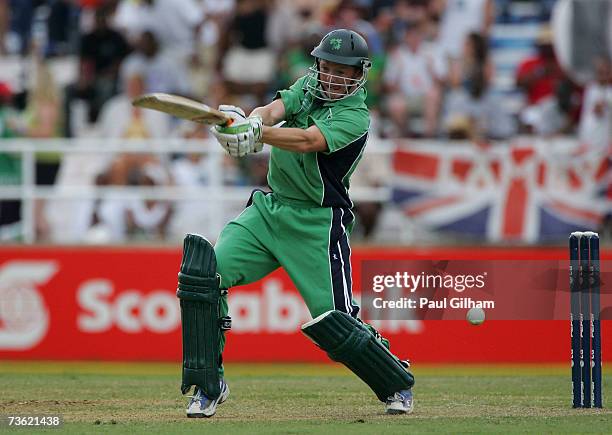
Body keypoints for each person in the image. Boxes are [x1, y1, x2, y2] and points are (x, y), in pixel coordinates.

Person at [175, 29, 415, 418]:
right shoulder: (307, 86)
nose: (332, 77)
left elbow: (306, 140)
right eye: (327, 67)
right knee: (205, 276)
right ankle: (208, 385)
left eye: (343, 71)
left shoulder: (356, 116)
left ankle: (395, 380)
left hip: (318, 225)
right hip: (270, 211)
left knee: (338, 323)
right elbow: (272, 110)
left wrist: (259, 134)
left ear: (359, 76)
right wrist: (248, 120)